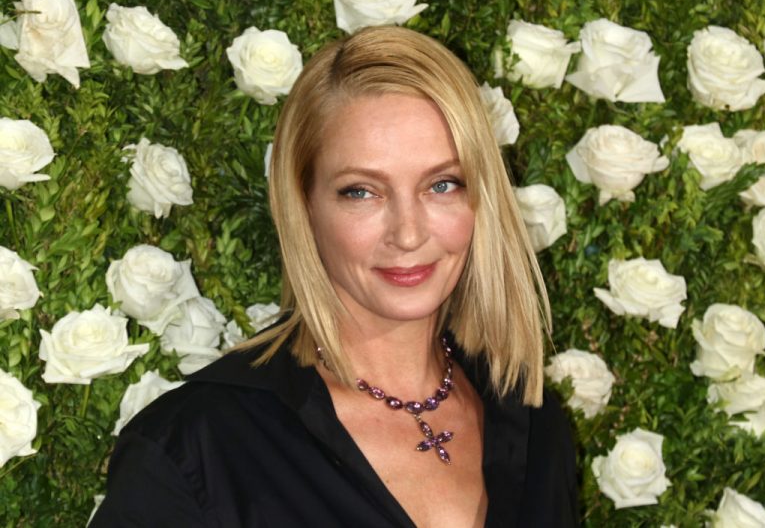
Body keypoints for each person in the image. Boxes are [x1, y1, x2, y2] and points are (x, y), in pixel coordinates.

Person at [91, 26, 578, 527]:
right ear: (303, 205)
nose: (408, 234)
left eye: (442, 184)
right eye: (361, 191)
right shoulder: (194, 450)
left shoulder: (532, 420)